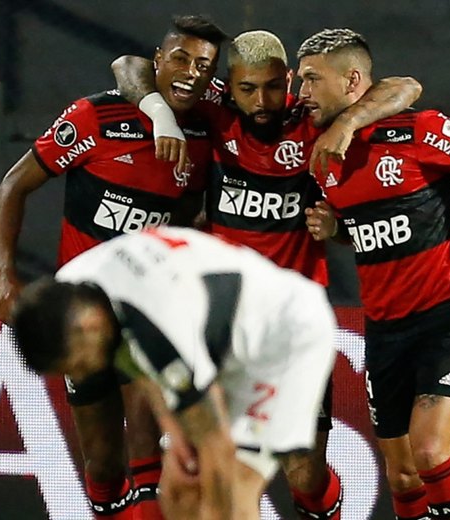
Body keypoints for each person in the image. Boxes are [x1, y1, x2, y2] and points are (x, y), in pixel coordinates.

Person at [110, 29, 422, 519]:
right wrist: (161, 115)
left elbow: (405, 87)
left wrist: (348, 125)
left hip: (295, 323)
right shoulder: (215, 116)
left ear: (290, 81)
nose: (262, 100)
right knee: (211, 463)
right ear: (228, 87)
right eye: (248, 89)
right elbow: (129, 66)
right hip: (223, 316)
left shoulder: (312, 120)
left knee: (304, 474)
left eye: (274, 87)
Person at [0, 15, 228, 519]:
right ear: (158, 60)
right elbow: (15, 185)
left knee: (146, 441)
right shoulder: (96, 119)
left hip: (148, 309)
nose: (191, 72)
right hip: (84, 313)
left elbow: (187, 211)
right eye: (180, 58)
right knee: (102, 464)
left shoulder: (208, 124)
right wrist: (4, 272)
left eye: (204, 65)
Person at [299, 29, 450, 520]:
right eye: (300, 80)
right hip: (384, 327)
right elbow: (370, 230)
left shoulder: (417, 131)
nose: (303, 93)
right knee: (401, 473)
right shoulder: (319, 153)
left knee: (429, 453)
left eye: (313, 79)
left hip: (448, 314)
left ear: (353, 80)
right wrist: (338, 228)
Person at [10, 226, 339, 520]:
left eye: (78, 365)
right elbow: (138, 360)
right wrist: (175, 433)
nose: (84, 374)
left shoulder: (156, 324)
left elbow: (215, 444)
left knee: (234, 486)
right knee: (180, 491)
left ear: (87, 326)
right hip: (218, 340)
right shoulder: (77, 286)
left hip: (285, 338)